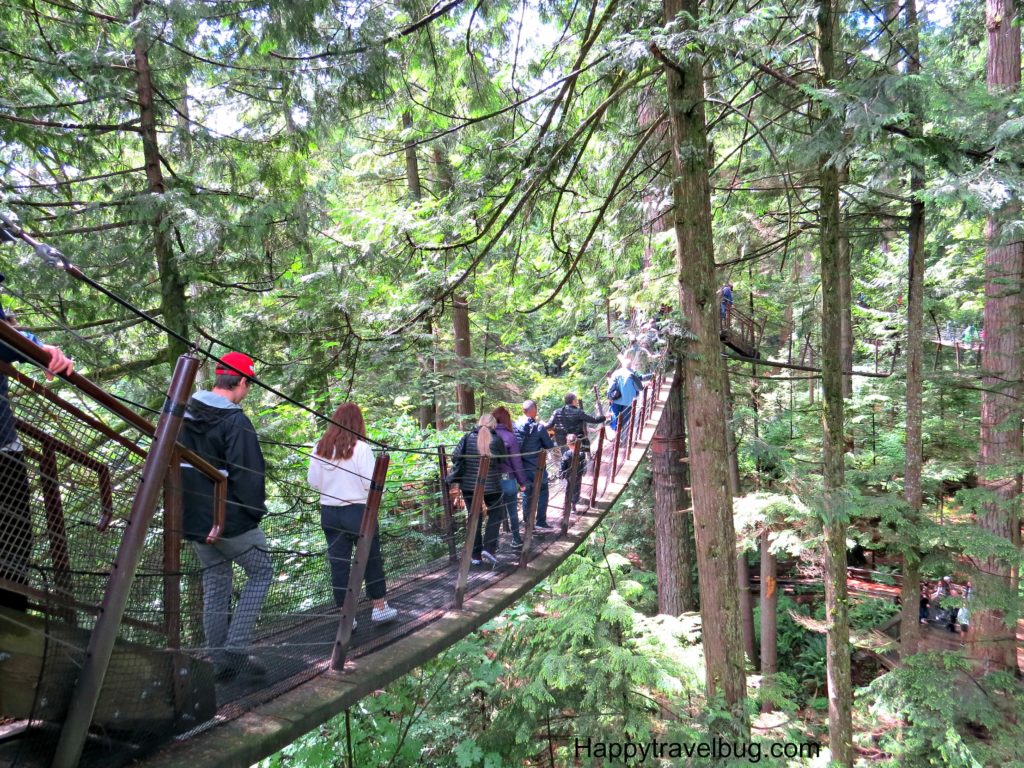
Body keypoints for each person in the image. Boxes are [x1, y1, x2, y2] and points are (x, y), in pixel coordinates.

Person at [180, 352, 272, 681]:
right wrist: (252, 514)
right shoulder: (235, 421)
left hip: (192, 517)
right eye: (249, 385)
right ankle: (234, 648)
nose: (247, 392)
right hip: (230, 521)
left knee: (216, 584)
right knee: (261, 573)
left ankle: (219, 660)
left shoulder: (182, 412)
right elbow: (247, 475)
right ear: (242, 381)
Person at [0, 275, 73, 612]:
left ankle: (12, 635)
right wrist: (35, 347)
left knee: (16, 541)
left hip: (5, 444)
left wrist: (38, 349)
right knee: (13, 541)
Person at [308, 403, 396, 626]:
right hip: (358, 512)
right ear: (358, 423)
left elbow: (313, 482)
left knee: (338, 563)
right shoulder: (361, 449)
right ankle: (379, 608)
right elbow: (371, 483)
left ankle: (346, 616)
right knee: (370, 558)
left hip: (329, 513)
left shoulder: (319, 447)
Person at [448, 414, 507, 565]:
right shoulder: (497, 439)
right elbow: (503, 459)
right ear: (493, 425)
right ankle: (489, 547)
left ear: (479, 423)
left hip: (469, 485)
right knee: (496, 512)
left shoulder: (467, 437)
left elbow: (455, 457)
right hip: (491, 484)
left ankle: (475, 556)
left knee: (474, 516)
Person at [545, 393, 606, 508]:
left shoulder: (557, 412)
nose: (577, 402)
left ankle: (568, 490)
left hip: (563, 442)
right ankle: (574, 497)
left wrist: (539, 426)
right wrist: (605, 417)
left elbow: (549, 425)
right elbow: (593, 420)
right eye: (576, 400)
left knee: (567, 464)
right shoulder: (578, 412)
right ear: (573, 401)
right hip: (576, 442)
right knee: (577, 469)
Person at [515, 400, 555, 531]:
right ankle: (540, 521)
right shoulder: (539, 427)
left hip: (521, 467)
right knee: (543, 492)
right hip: (537, 467)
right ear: (534, 411)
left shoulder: (515, 426)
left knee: (527, 493)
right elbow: (549, 446)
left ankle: (528, 522)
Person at [491, 406, 527, 549]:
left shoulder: (487, 435)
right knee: (512, 509)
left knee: (495, 511)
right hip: (507, 478)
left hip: (491, 480)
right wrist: (522, 481)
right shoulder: (510, 436)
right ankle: (516, 539)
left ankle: (493, 543)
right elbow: (516, 461)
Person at [607, 354, 645, 437]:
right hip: (629, 401)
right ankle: (619, 431)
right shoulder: (633, 374)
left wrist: (609, 396)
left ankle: (615, 431)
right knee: (626, 417)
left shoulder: (616, 373)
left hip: (617, 399)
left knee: (615, 415)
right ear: (631, 366)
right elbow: (638, 387)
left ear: (622, 365)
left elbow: (611, 386)